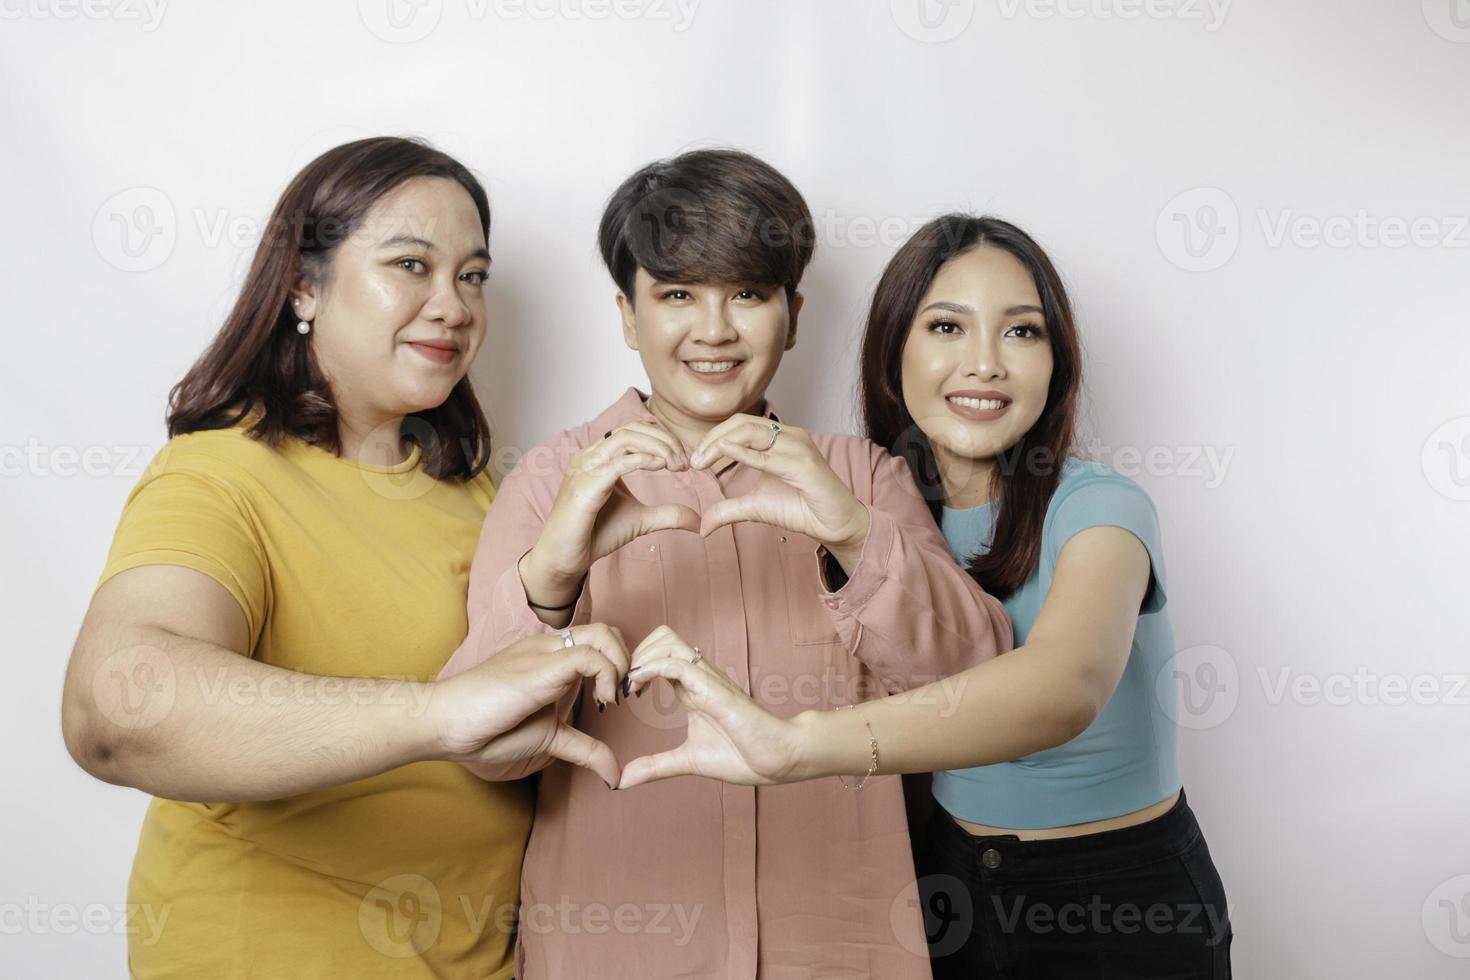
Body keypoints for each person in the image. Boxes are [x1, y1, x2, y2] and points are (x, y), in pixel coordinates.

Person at [61, 136, 630, 979]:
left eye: (472, 276)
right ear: (302, 285)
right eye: (411, 264)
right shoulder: (219, 475)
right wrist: (437, 714)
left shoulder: (480, 495)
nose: (453, 305)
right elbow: (115, 710)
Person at [437, 151, 1013, 978]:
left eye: (747, 294)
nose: (714, 330)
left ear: (794, 312)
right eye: (677, 295)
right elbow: (485, 750)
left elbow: (980, 697)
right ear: (629, 317)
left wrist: (853, 535)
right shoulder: (551, 479)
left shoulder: (863, 477)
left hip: (840, 953)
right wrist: (553, 575)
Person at [617, 214, 1234, 978]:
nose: (985, 364)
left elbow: (1063, 689)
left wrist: (797, 744)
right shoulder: (880, 509)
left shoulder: (1101, 507)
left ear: (1056, 362)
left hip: (1112, 897)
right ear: (894, 351)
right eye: (947, 326)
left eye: (1021, 333)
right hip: (942, 884)